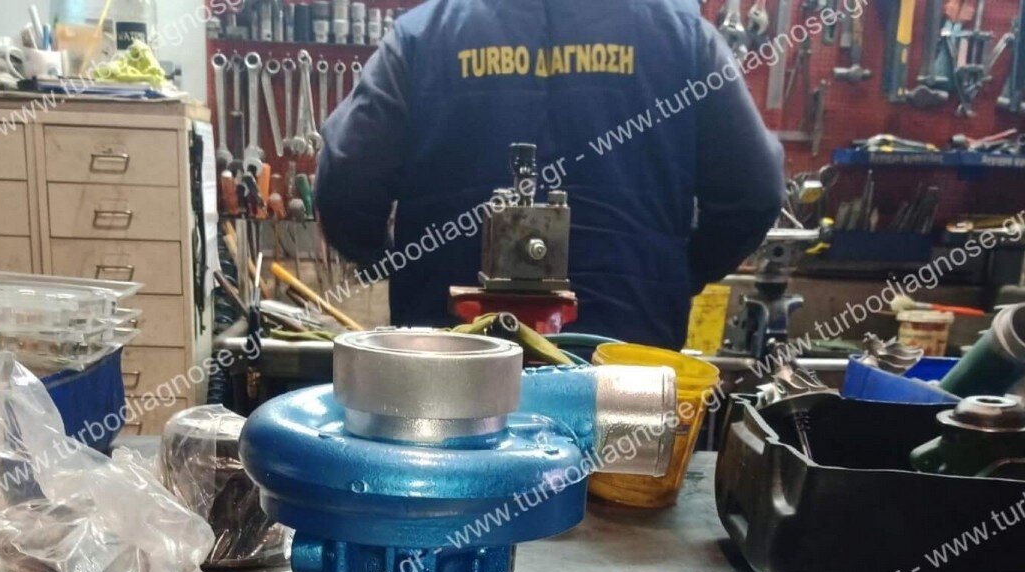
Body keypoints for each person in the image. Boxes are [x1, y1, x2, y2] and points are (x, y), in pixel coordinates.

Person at [315, 0, 785, 347]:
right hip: (626, 358)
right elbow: (755, 191)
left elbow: (345, 184)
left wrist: (393, 262)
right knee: (625, 455)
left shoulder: (422, 35)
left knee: (453, 452)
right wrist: (675, 276)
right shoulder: (683, 35)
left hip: (453, 356)